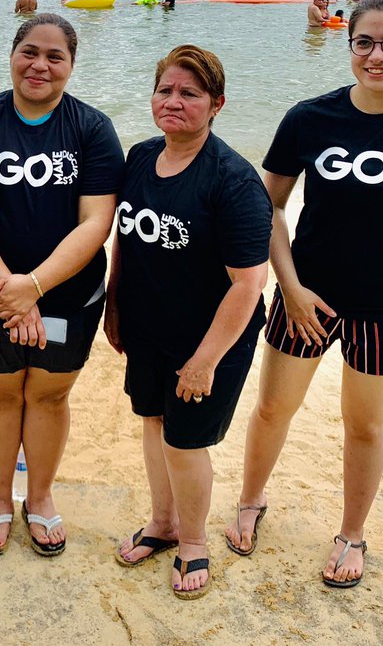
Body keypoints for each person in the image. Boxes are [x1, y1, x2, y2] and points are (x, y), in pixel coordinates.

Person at [225, 0, 383, 589]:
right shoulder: (310, 119)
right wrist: (288, 287)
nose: (378, 55)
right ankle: (251, 498)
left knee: (365, 426)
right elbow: (269, 207)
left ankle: (351, 534)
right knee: (272, 408)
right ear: (349, 46)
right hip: (308, 295)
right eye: (364, 42)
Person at [0, 13, 124, 559]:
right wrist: (11, 293)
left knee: (47, 394)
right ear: (12, 53)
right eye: (30, 52)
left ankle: (38, 497)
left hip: (68, 294)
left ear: (71, 65)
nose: (40, 65)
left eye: (54, 56)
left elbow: (96, 222)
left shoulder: (92, 129)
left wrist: (35, 287)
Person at [107, 45, 270, 599]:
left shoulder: (233, 181)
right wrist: (113, 302)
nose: (173, 102)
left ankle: (194, 542)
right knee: (152, 422)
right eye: (165, 90)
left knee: (184, 441)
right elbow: (123, 241)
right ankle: (162, 522)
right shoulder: (139, 157)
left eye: (190, 94)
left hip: (212, 337)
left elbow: (249, 283)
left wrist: (204, 361)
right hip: (148, 322)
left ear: (216, 104)